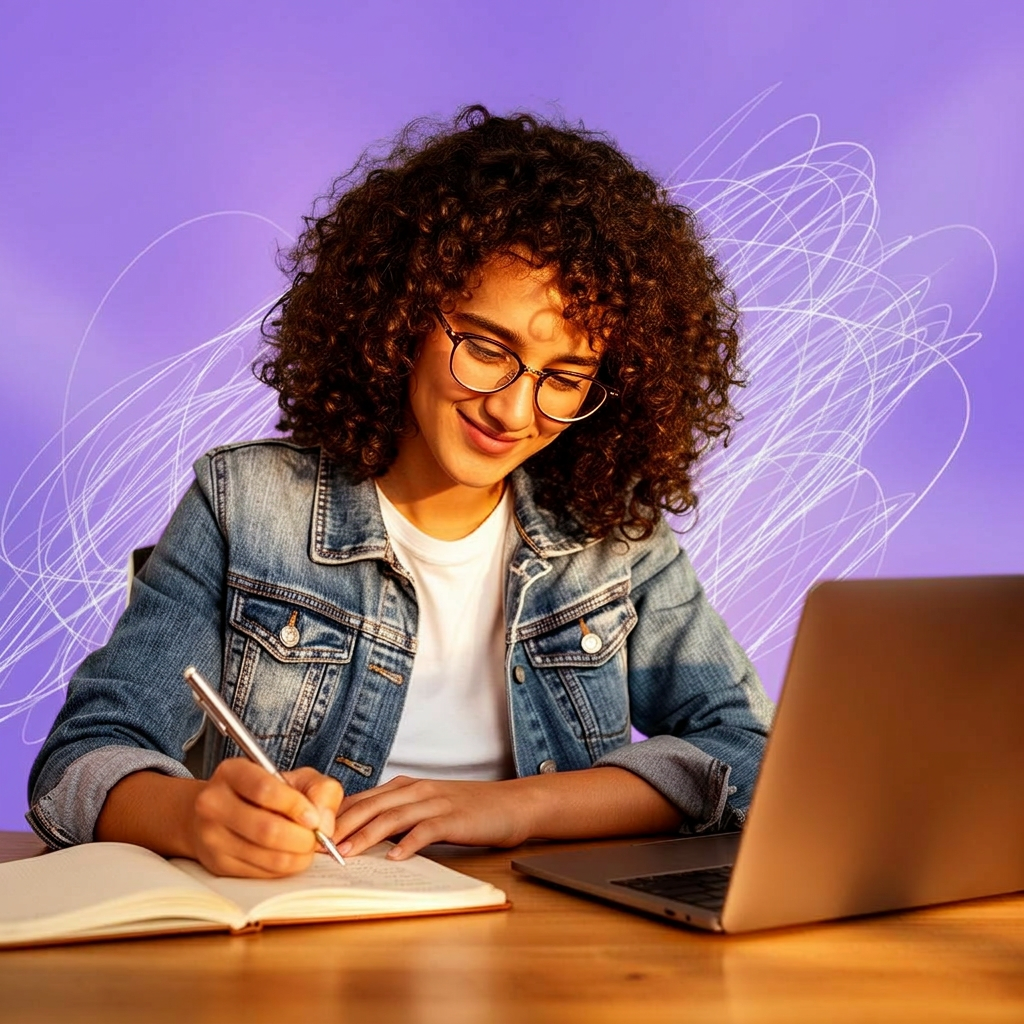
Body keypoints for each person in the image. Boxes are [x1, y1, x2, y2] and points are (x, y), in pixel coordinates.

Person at [28, 107, 773, 879]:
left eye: (564, 378)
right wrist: (193, 818)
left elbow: (747, 751)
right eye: (486, 348)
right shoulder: (246, 506)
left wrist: (518, 807)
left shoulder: (613, 540)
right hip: (314, 929)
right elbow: (79, 762)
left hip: (543, 932)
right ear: (402, 315)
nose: (513, 410)